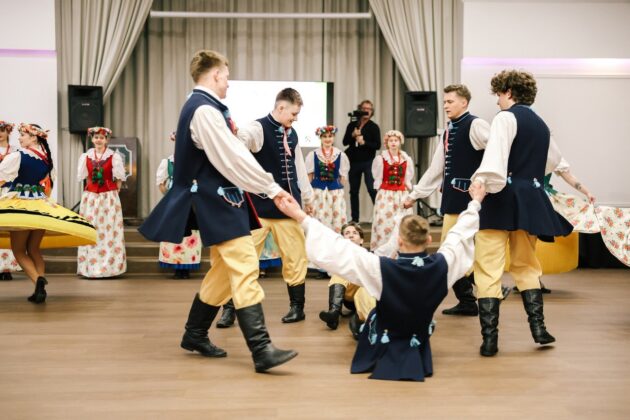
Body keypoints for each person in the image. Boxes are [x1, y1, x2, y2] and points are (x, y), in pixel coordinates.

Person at [138, 50, 297, 372]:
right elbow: (231, 158)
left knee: (223, 272)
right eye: (226, 76)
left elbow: (231, 152)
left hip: (222, 201)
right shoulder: (204, 110)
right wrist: (272, 188)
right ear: (215, 75)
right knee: (245, 264)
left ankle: (194, 333)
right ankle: (262, 349)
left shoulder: (204, 107)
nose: (228, 82)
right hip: (215, 202)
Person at [277, 180, 486, 381]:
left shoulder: (382, 268)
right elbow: (458, 236)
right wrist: (475, 202)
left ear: (399, 241)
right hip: (419, 331)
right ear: (429, 240)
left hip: (386, 335)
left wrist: (299, 216)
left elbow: (341, 248)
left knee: (374, 311)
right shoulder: (442, 265)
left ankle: (370, 339)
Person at [470, 69, 573, 357]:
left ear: (509, 92)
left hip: (501, 197)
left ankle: (490, 340)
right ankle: (539, 329)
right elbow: (553, 160)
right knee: (527, 265)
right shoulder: (541, 125)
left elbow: (495, 158)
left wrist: (481, 185)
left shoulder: (505, 117)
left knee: (488, 267)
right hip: (530, 200)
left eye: (499, 95)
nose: (498, 101)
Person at [403, 84, 490, 316]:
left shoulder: (476, 125)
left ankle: (486, 294)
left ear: (464, 102)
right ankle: (468, 300)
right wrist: (414, 195)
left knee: (465, 252)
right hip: (452, 202)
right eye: (444, 102)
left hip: (471, 202)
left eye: (450, 101)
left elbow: (496, 154)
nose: (445, 106)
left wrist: (481, 180)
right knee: (449, 251)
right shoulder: (448, 131)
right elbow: (436, 169)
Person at [237, 88, 314, 323]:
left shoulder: (293, 133)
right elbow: (242, 140)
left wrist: (307, 199)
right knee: (244, 258)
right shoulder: (257, 128)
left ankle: (297, 307)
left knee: (295, 258)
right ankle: (231, 307)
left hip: (289, 209)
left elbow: (299, 168)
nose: (295, 118)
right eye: (293, 113)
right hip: (259, 208)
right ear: (281, 107)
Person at [0, 123, 97, 303]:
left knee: (19, 250)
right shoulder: (47, 160)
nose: (19, 138)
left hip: (20, 205)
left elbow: (2, 177)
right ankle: (40, 289)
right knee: (33, 249)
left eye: (22, 135)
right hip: (40, 206)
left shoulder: (17, 156)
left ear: (33, 137)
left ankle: (38, 280)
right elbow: (48, 185)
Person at [76, 127, 127, 278]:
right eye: (96, 137)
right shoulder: (86, 156)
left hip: (108, 197)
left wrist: (114, 193)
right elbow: (85, 177)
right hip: (91, 197)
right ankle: (90, 267)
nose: (98, 140)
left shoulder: (114, 157)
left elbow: (118, 179)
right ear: (92, 139)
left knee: (109, 229)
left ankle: (110, 267)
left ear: (106, 140)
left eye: (101, 138)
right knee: (91, 228)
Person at [155, 131, 202, 279]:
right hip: (174, 203)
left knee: (190, 235)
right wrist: (169, 197)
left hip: (191, 204)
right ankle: (176, 268)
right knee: (174, 232)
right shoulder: (168, 162)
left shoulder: (196, 162)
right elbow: (161, 183)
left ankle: (186, 268)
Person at [370, 130, 414, 250]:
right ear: (387, 143)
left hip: (401, 194)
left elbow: (407, 178)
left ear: (400, 142)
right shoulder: (381, 159)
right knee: (384, 221)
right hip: (386, 194)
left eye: (396, 140)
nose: (393, 143)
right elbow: (378, 177)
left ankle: (402, 249)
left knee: (402, 221)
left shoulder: (406, 159)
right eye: (391, 141)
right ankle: (382, 249)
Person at [318, 221, 365, 330]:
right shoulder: (338, 258)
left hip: (365, 297)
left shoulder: (368, 256)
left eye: (355, 233)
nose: (351, 235)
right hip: (349, 298)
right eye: (347, 233)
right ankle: (333, 314)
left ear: (361, 240)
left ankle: (364, 319)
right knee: (339, 274)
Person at [342, 100, 381, 222]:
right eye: (364, 108)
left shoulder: (373, 127)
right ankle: (355, 219)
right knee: (354, 191)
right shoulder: (352, 125)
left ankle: (380, 216)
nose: (366, 111)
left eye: (369, 109)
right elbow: (345, 142)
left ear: (372, 111)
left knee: (371, 189)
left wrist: (364, 142)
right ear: (360, 110)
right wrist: (353, 135)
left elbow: (377, 145)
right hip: (353, 161)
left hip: (368, 161)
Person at [0, 121, 20, 280]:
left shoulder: (15, 151)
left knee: (7, 226)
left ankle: (6, 268)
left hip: (7, 191)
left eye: (2, 130)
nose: (0, 134)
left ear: (8, 132)